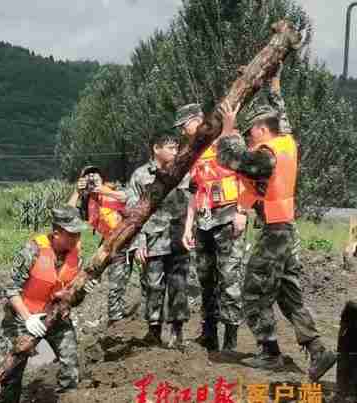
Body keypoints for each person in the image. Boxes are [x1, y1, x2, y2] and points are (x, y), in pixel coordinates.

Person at [216, 64, 337, 380]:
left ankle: (270, 353)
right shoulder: (288, 142)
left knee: (254, 293)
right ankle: (318, 350)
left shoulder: (267, 154)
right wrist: (274, 82)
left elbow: (234, 160)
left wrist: (228, 130)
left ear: (261, 130)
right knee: (288, 293)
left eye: (251, 131)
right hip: (289, 230)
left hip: (275, 232)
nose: (249, 135)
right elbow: (279, 113)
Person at [0, 206, 94, 402]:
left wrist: (82, 291)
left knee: (70, 364)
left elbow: (73, 300)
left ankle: (67, 398)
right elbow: (11, 289)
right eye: (71, 234)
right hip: (21, 317)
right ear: (57, 233)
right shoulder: (31, 250)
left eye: (78, 234)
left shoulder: (78, 257)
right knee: (10, 374)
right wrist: (28, 318)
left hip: (55, 316)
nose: (76, 238)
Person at [175, 103, 245, 352]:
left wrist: (242, 212)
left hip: (227, 217)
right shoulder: (193, 152)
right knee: (206, 279)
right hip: (204, 221)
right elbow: (194, 192)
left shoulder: (228, 138)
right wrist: (188, 227)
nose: (184, 132)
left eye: (185, 125)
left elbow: (246, 176)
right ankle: (209, 334)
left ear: (198, 120)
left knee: (229, 279)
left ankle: (231, 339)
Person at [127, 133, 191, 349]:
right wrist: (138, 243)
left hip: (178, 238)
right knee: (153, 286)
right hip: (153, 239)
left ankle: (177, 332)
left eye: (176, 148)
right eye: (170, 148)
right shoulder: (141, 175)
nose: (175, 152)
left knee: (179, 285)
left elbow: (194, 201)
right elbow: (133, 214)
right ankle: (154, 330)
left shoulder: (184, 173)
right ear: (156, 149)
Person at [67, 165, 132, 325]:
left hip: (123, 239)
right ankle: (71, 303)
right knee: (90, 274)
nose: (91, 178)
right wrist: (77, 191)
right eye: (87, 176)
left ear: (102, 178)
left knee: (117, 281)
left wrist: (101, 190)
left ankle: (116, 319)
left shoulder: (112, 190)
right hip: (106, 241)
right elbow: (66, 213)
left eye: (94, 175)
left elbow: (127, 197)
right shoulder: (87, 200)